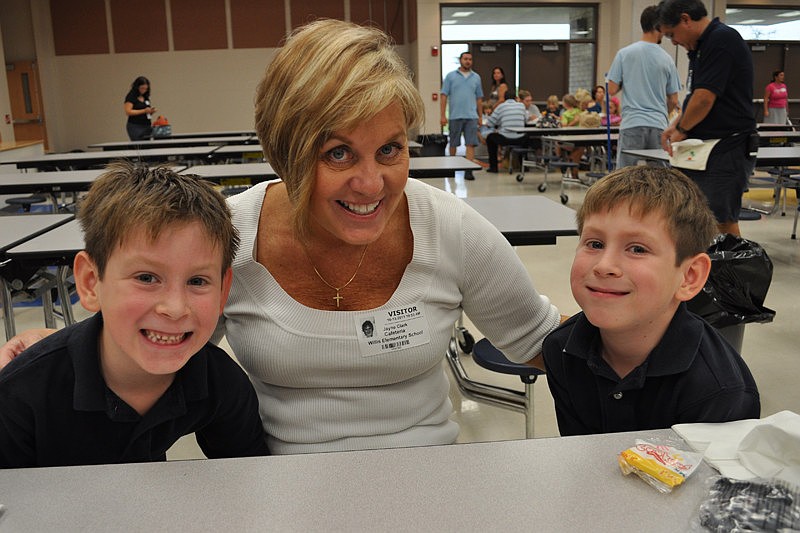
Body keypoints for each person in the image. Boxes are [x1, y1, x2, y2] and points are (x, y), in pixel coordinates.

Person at [0, 19, 566, 455]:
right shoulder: (230, 236)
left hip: (430, 475)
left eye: (390, 149)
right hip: (277, 482)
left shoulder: (449, 228)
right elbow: (161, 336)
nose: (372, 183)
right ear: (285, 152)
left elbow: (546, 344)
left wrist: (622, 320)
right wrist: (61, 354)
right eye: (337, 153)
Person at [0, 162, 269, 468]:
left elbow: (250, 474)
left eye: (197, 281)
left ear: (223, 291)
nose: (175, 308)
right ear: (90, 282)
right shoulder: (19, 395)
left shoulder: (220, 381)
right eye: (146, 278)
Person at [542, 166, 760, 436]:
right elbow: (580, 450)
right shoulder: (560, 349)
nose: (604, 266)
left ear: (689, 277)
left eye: (637, 249)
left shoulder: (720, 393)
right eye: (595, 244)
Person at [658, 0, 757, 237]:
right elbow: (695, 95)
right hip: (707, 147)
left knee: (720, 220)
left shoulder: (722, 39)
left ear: (685, 19)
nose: (673, 42)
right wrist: (675, 124)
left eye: (672, 34)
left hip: (727, 145)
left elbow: (704, 99)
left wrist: (682, 129)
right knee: (695, 217)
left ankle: (731, 262)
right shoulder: (700, 47)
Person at [607, 5, 682, 168]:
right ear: (658, 27)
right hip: (659, 125)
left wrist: (628, 79)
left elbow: (611, 90)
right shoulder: (667, 59)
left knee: (625, 175)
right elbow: (674, 100)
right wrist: (663, 113)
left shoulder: (624, 54)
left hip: (632, 123)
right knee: (661, 175)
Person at [441, 51, 483, 179]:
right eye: (465, 59)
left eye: (470, 59)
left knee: (470, 144)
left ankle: (468, 170)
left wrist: (480, 116)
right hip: (455, 116)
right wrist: (442, 115)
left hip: (471, 116)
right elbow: (444, 96)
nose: (468, 61)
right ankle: (452, 168)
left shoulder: (476, 77)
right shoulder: (450, 76)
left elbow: (479, 98)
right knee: (453, 143)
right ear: (460, 60)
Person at [484, 91, 528, 173]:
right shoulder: (522, 106)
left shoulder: (501, 107)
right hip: (520, 138)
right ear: (516, 98)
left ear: (504, 99)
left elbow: (490, 123)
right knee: (527, 137)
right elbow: (526, 120)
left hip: (505, 138)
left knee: (490, 138)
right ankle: (524, 166)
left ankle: (493, 167)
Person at [124, 76, 156, 141]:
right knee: (138, 144)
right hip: (135, 126)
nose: (144, 90)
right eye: (142, 88)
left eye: (146, 89)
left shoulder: (145, 97)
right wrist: (144, 111)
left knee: (147, 144)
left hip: (147, 125)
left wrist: (150, 112)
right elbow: (128, 112)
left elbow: (146, 111)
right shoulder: (131, 96)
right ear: (137, 87)